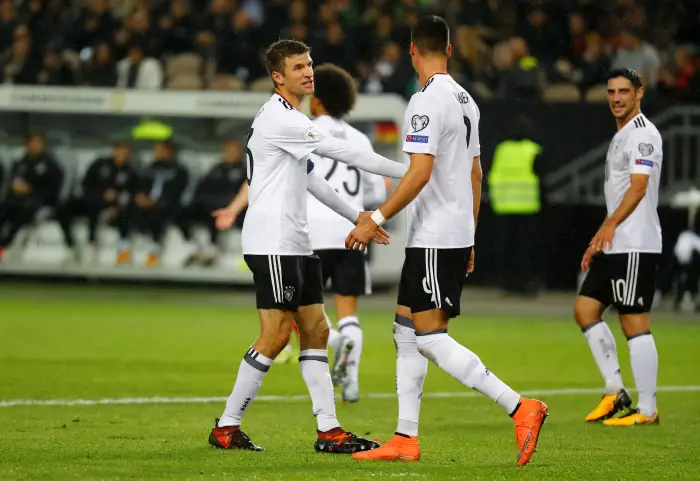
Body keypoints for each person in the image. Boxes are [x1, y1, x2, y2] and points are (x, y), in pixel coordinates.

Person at [346, 16, 548, 465]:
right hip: (448, 234)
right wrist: (471, 235)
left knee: (431, 338)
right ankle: (405, 438)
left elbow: (419, 173)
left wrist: (373, 218)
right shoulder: (466, 100)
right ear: (451, 50)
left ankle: (520, 407)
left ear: (412, 50)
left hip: (435, 236)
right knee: (404, 332)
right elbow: (475, 174)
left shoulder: (424, 101)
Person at [207, 39, 407, 452]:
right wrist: (416, 171)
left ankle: (329, 431)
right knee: (277, 334)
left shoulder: (290, 118)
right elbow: (344, 152)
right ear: (278, 77)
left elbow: (313, 179)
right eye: (298, 67)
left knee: (316, 330)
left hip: (296, 243)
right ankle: (227, 426)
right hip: (272, 241)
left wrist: (358, 217)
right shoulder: (280, 118)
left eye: (310, 64)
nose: (308, 71)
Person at [575, 68, 662, 426]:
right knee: (585, 310)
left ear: (639, 93)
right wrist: (600, 238)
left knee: (634, 321)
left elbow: (639, 186)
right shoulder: (620, 135)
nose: (616, 98)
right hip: (615, 244)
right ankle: (615, 391)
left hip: (636, 244)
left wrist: (610, 225)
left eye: (624, 91)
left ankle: (648, 408)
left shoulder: (644, 134)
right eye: (611, 91)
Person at [306, 64, 388, 402]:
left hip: (311, 233)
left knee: (303, 310)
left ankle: (335, 340)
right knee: (348, 308)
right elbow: (376, 196)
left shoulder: (305, 132)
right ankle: (351, 382)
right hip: (352, 233)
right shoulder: (359, 139)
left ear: (317, 101)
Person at [57, 141, 139, 262]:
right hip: (90, 201)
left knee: (122, 215)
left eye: (126, 152)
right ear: (114, 151)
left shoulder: (130, 172)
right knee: (63, 207)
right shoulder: (100, 164)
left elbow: (132, 194)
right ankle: (71, 246)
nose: (122, 155)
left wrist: (116, 204)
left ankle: (94, 245)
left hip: (113, 208)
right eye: (120, 151)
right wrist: (101, 195)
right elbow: (86, 184)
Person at [116, 138, 188, 266]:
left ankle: (155, 250)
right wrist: (141, 197)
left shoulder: (178, 170)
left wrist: (156, 201)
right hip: (146, 203)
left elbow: (176, 191)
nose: (159, 153)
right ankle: (124, 247)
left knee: (159, 212)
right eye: (157, 150)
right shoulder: (149, 169)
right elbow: (140, 186)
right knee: (128, 208)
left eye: (162, 150)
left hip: (165, 204)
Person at [179, 139, 247, 267]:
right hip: (208, 205)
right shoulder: (217, 168)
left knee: (216, 213)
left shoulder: (244, 171)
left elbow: (241, 194)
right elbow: (202, 187)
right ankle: (192, 247)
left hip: (229, 209)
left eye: (234, 151)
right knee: (183, 211)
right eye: (228, 151)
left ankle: (212, 250)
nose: (230, 154)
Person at [0, 133, 63, 261]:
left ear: (43, 145)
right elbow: (11, 182)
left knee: (21, 211)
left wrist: (31, 189)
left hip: (39, 201)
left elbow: (53, 189)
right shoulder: (20, 163)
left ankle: (5, 245)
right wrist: (15, 187)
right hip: (15, 199)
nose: (34, 146)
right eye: (32, 143)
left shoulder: (51, 166)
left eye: (37, 143)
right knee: (4, 209)